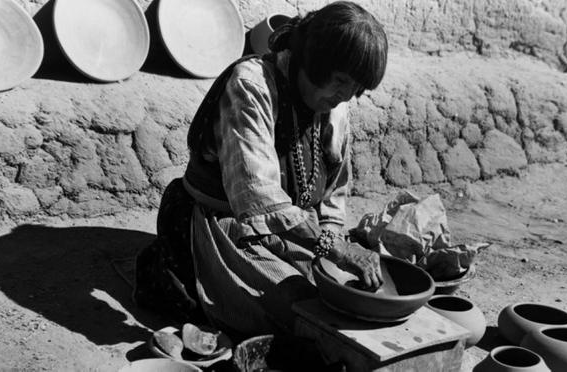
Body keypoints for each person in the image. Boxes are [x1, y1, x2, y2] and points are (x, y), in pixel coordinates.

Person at [134, 1, 389, 339]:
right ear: (315, 61)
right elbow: (256, 195)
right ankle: (177, 272)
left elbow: (333, 193)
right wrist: (333, 247)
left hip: (292, 228)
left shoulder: (334, 109)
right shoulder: (252, 85)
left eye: (356, 88)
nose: (346, 96)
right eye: (341, 81)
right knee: (298, 314)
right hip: (223, 222)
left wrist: (332, 245)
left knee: (340, 298)